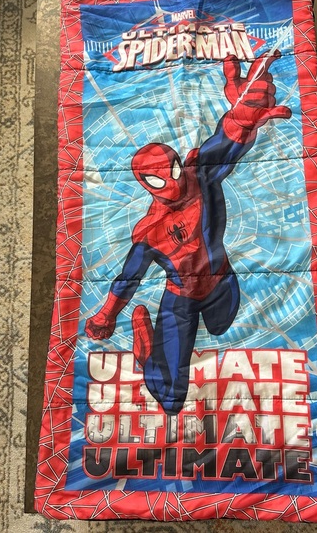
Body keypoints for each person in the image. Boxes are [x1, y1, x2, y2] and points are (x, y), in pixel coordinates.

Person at [85, 49, 291, 414]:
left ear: (180, 164)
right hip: (180, 298)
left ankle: (167, 346)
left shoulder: (200, 176)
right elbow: (128, 278)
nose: (173, 182)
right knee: (171, 401)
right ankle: (147, 353)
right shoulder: (150, 232)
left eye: (174, 170)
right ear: (146, 184)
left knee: (221, 326)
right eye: (157, 179)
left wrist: (242, 119)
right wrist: (107, 314)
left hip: (220, 279)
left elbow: (222, 145)